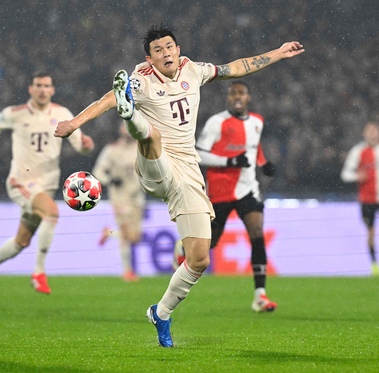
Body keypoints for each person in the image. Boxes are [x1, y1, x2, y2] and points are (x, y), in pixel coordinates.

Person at [54, 24, 304, 347]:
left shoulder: (194, 70)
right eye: (158, 50)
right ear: (150, 57)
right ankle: (130, 115)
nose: (166, 53)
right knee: (151, 135)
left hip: (188, 172)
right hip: (153, 166)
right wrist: (75, 123)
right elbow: (105, 100)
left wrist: (278, 53)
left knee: (199, 258)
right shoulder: (141, 79)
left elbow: (237, 66)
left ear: (177, 48)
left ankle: (161, 312)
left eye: (169, 47)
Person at [0, 71, 94, 296]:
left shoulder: (62, 113)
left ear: (52, 90)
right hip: (21, 182)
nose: (42, 89)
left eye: (46, 86)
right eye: (38, 85)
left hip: (46, 186)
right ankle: (38, 272)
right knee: (52, 212)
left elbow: (79, 145)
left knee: (21, 241)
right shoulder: (17, 114)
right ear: (30, 89)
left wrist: (86, 146)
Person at [193, 81, 277, 312]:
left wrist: (264, 163)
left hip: (248, 188)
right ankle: (184, 249)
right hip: (220, 190)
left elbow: (254, 147)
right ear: (228, 98)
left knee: (257, 234)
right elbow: (199, 153)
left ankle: (260, 296)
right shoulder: (216, 122)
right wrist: (229, 161)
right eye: (233, 94)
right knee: (213, 241)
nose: (237, 97)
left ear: (248, 97)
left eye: (241, 92)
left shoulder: (257, 121)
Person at [93, 121, 145, 282]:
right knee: (125, 233)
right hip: (119, 196)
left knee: (135, 237)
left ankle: (109, 233)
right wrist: (110, 180)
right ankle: (127, 271)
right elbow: (98, 171)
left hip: (137, 196)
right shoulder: (111, 149)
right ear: (121, 130)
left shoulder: (142, 148)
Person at [341, 121, 379, 276]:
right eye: (369, 131)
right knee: (370, 232)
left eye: (375, 131)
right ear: (365, 133)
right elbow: (345, 174)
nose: (372, 134)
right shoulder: (358, 151)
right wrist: (358, 176)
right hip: (367, 199)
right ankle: (374, 265)